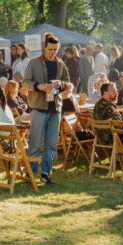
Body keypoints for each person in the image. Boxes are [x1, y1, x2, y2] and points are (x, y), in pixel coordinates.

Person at [23, 33, 70, 186]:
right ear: (44, 47)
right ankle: (31, 173)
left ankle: (45, 174)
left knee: (51, 145)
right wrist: (38, 86)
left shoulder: (61, 64)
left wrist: (61, 85)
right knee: (35, 144)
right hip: (38, 108)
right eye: (50, 49)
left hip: (55, 108)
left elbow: (68, 83)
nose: (52, 52)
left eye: (55, 50)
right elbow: (25, 83)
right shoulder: (34, 63)